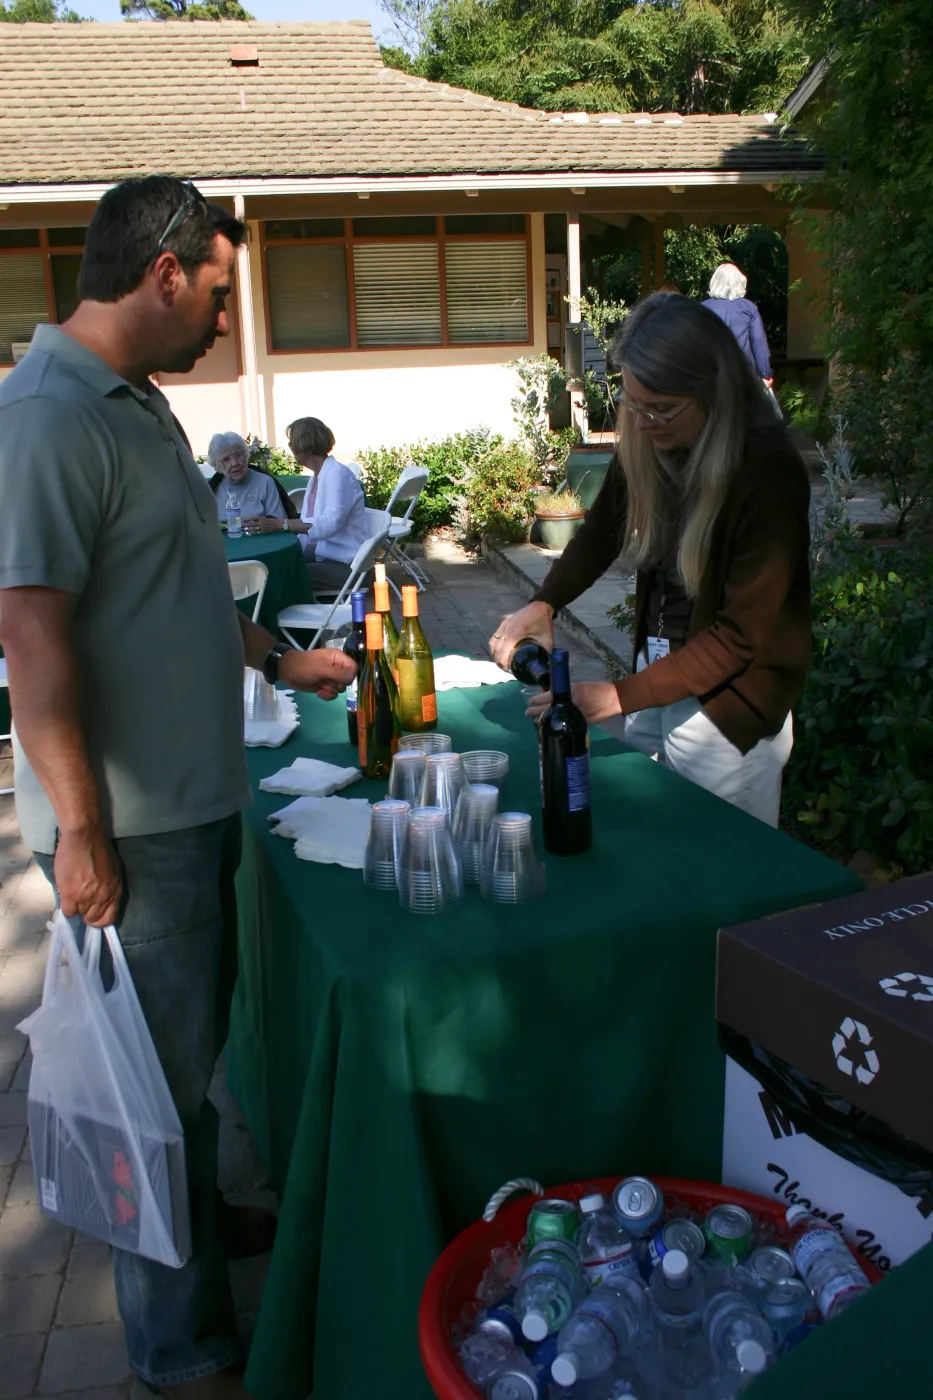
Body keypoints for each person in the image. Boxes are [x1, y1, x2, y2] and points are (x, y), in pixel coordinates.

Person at [0, 176, 356, 1400]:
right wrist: (84, 830)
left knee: (185, 1067)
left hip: (192, 808)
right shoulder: (49, 414)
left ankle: (199, 1237)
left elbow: (178, 588)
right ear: (161, 274)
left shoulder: (140, 401)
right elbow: (32, 634)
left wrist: (276, 655)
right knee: (151, 1096)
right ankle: (177, 1348)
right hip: (132, 833)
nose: (223, 315)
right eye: (215, 288)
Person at [489, 293, 810, 827]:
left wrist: (617, 696)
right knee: (656, 848)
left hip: (728, 710)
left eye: (661, 409)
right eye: (633, 404)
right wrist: (543, 604)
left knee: (722, 877)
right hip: (659, 677)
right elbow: (601, 533)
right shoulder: (650, 438)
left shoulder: (766, 470)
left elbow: (737, 637)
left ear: (714, 394)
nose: (642, 423)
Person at [244, 417, 368, 594]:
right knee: (270, 567)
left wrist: (280, 524)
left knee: (275, 576)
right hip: (324, 559)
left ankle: (273, 621)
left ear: (305, 443)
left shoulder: (337, 475)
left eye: (292, 441)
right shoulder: (318, 476)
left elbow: (329, 523)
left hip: (345, 567)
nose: (290, 446)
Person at [206, 430, 295, 532]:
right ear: (216, 466)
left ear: (246, 456)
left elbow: (280, 523)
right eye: (226, 460)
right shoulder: (211, 490)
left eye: (238, 455)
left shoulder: (265, 482)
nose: (235, 463)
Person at [702, 262, 773, 386]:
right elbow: (758, 341)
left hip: (710, 376)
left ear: (715, 282)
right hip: (743, 377)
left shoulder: (701, 308)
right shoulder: (749, 308)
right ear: (740, 283)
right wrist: (765, 374)